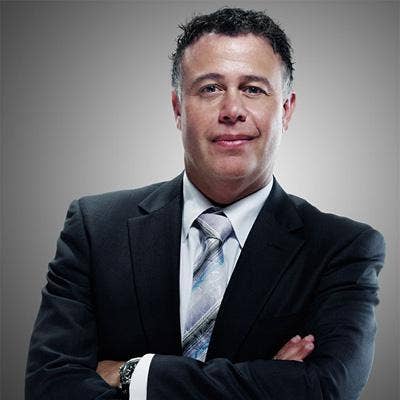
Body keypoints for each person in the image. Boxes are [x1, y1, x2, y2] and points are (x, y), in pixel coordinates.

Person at [25, 7, 385, 400]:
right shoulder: (95, 229)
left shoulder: (341, 249)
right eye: (210, 88)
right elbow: (49, 385)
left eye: (253, 89)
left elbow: (325, 388)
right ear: (178, 108)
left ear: (286, 109)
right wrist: (269, 382)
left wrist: (136, 373)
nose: (232, 111)